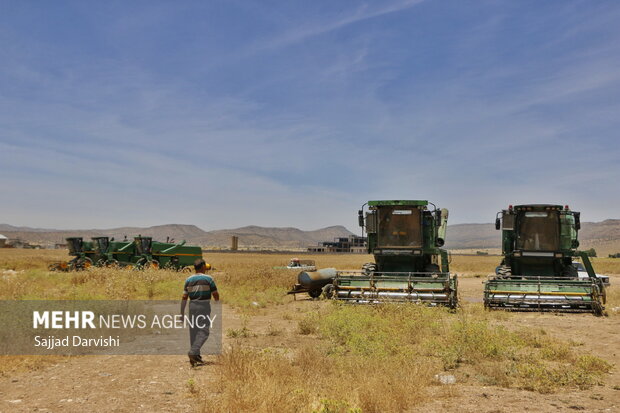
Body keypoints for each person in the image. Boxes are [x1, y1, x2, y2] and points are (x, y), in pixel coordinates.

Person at [181, 258, 219, 367]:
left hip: (192, 306)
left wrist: (181, 313)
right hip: (203, 306)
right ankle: (194, 352)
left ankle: (195, 358)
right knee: (204, 331)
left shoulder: (188, 279)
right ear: (203, 267)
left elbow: (184, 297)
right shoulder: (209, 279)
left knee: (194, 331)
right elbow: (215, 293)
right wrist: (217, 302)